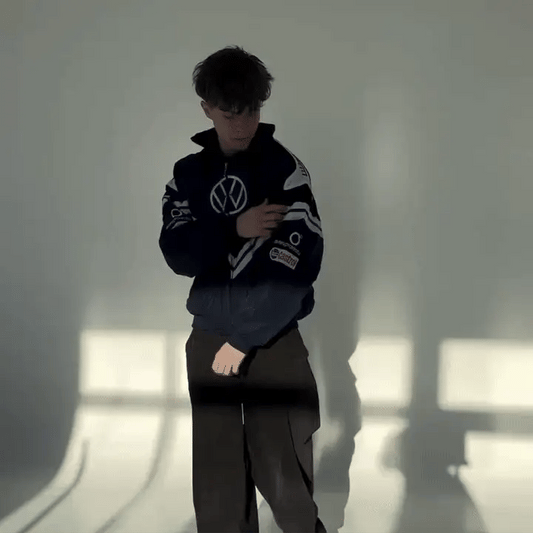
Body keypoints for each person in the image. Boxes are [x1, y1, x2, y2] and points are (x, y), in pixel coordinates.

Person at [159, 45, 327, 533]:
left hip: (273, 339)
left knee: (283, 465)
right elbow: (178, 254)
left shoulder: (284, 170)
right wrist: (235, 227)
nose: (242, 125)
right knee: (217, 471)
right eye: (230, 113)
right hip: (209, 335)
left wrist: (244, 338)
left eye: (251, 111)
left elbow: (294, 270)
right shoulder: (187, 175)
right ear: (207, 109)